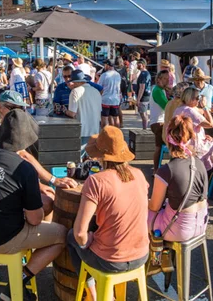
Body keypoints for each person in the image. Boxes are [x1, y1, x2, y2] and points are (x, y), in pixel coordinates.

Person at [0, 110, 67, 301]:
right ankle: (20, 279)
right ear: (26, 141)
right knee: (61, 236)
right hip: (2, 239)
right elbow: (35, 219)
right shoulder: (23, 169)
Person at [68, 126, 149, 301]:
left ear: (100, 156)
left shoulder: (96, 181)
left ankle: (95, 295)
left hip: (110, 260)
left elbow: (80, 233)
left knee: (71, 237)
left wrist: (86, 242)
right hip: (142, 255)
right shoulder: (139, 175)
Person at [0, 91, 78, 217]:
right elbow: (21, 155)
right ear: (0, 107)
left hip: (3, 176)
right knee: (47, 202)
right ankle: (33, 233)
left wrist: (44, 182)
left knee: (47, 196)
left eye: (21, 108)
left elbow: (21, 156)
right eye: (13, 108)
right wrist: (52, 181)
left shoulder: (5, 125)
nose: (18, 112)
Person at [148, 115, 209, 242]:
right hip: (202, 224)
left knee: (140, 215)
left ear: (168, 139)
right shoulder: (199, 163)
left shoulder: (166, 170)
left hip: (180, 229)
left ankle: (152, 259)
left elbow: (154, 207)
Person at [173, 87, 213, 171]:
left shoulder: (179, 109)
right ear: (191, 99)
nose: (199, 100)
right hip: (193, 145)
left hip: (182, 142)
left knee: (212, 140)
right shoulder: (190, 111)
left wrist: (203, 136)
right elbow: (211, 124)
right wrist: (205, 106)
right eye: (197, 98)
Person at [65, 70, 102, 147]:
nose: (73, 84)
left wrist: (64, 110)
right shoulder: (96, 91)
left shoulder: (75, 91)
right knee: (92, 155)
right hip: (95, 129)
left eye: (74, 82)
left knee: (80, 156)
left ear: (77, 82)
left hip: (82, 130)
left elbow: (72, 113)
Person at [150, 71, 170, 170]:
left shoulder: (159, 89)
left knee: (160, 146)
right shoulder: (157, 90)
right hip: (158, 122)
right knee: (159, 147)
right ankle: (156, 170)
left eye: (168, 78)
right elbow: (167, 106)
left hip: (159, 121)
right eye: (165, 79)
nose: (167, 81)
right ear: (159, 79)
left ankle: (157, 169)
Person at [97, 59, 122, 127]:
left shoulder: (104, 75)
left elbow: (99, 87)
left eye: (105, 65)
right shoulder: (118, 75)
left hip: (105, 99)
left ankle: (105, 135)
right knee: (116, 118)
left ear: (108, 65)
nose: (104, 66)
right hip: (115, 99)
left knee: (104, 118)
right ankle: (117, 134)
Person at [136, 59, 153, 129]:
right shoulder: (147, 73)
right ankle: (145, 128)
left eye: (139, 64)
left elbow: (142, 87)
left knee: (143, 113)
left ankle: (145, 129)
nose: (137, 66)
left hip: (143, 96)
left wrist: (138, 99)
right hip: (147, 95)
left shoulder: (143, 74)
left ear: (143, 65)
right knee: (144, 113)